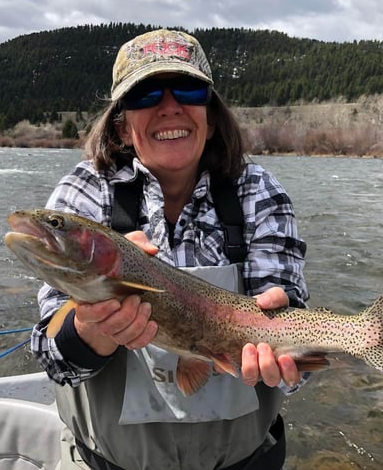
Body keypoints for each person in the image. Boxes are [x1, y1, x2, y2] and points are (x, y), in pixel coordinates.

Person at [31, 28, 308, 470]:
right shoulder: (85, 192)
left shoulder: (258, 191)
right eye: (144, 94)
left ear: (211, 115)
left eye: (187, 88)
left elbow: (297, 346)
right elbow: (55, 363)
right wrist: (91, 327)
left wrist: (293, 359)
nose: (169, 106)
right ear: (122, 125)